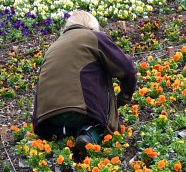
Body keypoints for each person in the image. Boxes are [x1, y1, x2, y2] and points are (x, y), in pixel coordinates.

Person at [32, 10, 138, 162]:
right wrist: (125, 95)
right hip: (82, 111)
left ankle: (63, 137)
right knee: (98, 123)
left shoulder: (54, 46)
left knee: (66, 126)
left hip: (46, 120)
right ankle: (90, 133)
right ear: (92, 27)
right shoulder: (93, 36)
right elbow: (127, 69)